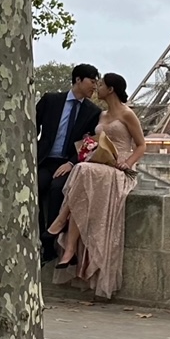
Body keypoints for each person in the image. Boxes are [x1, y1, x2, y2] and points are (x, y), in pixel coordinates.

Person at [47, 72, 146, 299]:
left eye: (100, 85)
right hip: (100, 166)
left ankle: (62, 224)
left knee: (82, 170)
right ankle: (70, 249)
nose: (97, 88)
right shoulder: (101, 114)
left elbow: (141, 146)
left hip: (119, 170)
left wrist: (126, 163)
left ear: (110, 89)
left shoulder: (128, 114)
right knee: (83, 174)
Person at [36, 63, 101, 262]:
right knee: (35, 189)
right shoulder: (51, 100)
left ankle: (50, 238)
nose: (95, 87)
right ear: (78, 80)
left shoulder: (93, 111)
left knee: (58, 189)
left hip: (68, 162)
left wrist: (71, 163)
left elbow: (88, 144)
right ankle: (42, 238)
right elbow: (31, 125)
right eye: (92, 81)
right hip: (45, 160)